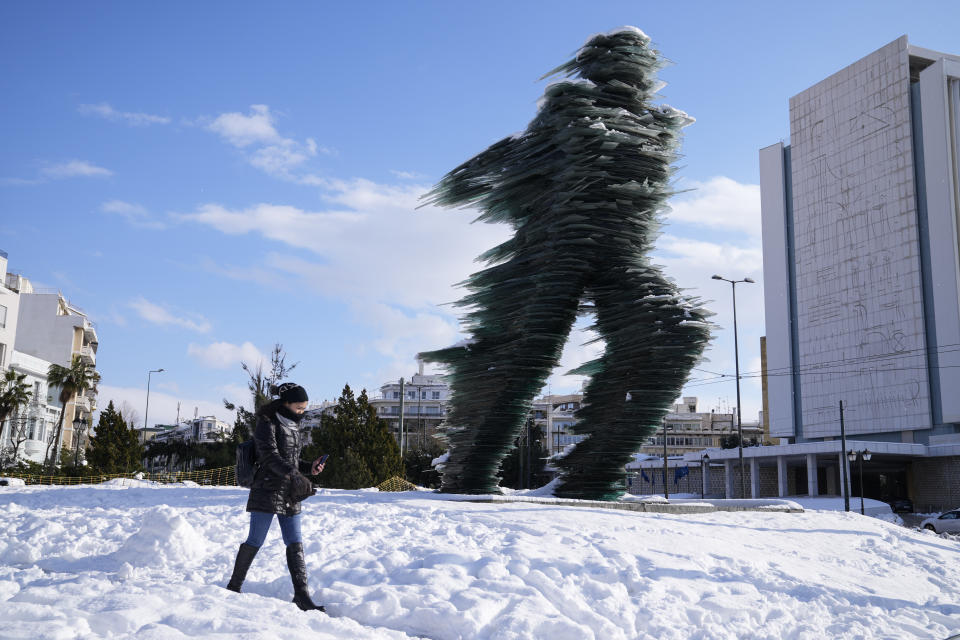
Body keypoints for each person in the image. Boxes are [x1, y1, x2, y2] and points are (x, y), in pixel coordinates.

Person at [226, 382, 328, 611]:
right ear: (285, 403)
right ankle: (233, 587)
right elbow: (269, 456)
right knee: (255, 540)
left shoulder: (293, 425)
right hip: (267, 489)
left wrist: (309, 468)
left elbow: (291, 460)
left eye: (304, 408)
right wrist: (294, 474)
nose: (302, 411)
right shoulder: (267, 423)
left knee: (295, 542)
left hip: (291, 491)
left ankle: (302, 596)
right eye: (299, 407)